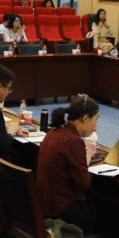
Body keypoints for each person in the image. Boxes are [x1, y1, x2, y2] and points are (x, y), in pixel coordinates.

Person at [36, 95, 100, 228]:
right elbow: (85, 183)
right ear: (85, 118)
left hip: (46, 204)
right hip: (61, 210)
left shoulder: (54, 132)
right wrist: (86, 160)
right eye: (95, 120)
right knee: (113, 215)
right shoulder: (73, 141)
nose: (95, 128)